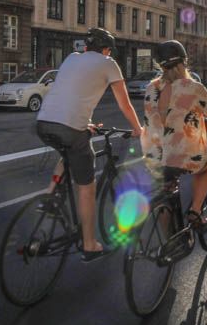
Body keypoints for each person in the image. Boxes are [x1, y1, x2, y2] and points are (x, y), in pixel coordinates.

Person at [36, 27, 143, 261]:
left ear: (86, 47)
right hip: (70, 127)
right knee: (87, 186)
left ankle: (50, 195)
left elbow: (71, 93)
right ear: (106, 50)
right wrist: (138, 129)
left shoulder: (71, 58)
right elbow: (125, 104)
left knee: (68, 153)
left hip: (44, 122)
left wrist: (87, 124)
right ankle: (89, 243)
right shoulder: (108, 63)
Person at [141, 41, 207, 231]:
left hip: (153, 154)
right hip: (184, 154)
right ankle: (195, 211)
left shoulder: (150, 87)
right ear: (182, 63)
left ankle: (169, 244)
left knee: (165, 191)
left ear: (160, 65)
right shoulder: (193, 87)